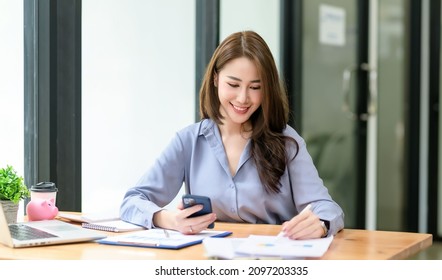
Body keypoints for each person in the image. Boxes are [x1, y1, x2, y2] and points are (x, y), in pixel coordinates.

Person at [120, 30, 344, 240]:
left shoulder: (287, 142)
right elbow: (132, 201)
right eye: (233, 84)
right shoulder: (188, 141)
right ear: (216, 79)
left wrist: (321, 224)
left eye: (255, 87)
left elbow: (327, 208)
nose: (243, 98)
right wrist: (168, 219)